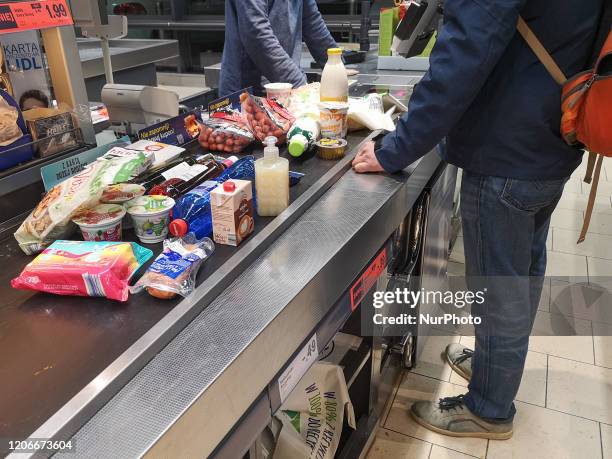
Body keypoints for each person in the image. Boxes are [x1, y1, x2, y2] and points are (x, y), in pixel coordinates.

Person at [353, 0, 603, 440]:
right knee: (522, 274)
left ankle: (490, 407)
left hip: (506, 149)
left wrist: (395, 148)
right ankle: (496, 369)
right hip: (555, 133)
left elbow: (464, 54)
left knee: (499, 290)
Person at [219, 0, 337, 96]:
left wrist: (337, 64)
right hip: (248, 94)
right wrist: (300, 85)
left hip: (285, 89)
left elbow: (312, 22)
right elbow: (257, 35)